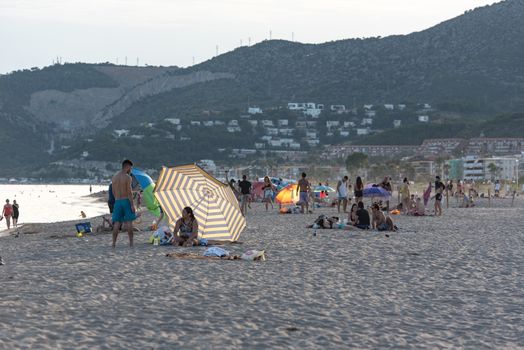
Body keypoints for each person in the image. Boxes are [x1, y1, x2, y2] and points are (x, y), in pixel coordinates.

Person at [111, 159, 137, 248]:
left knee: (117, 223)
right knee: (129, 222)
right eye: (131, 168)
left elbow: (113, 191)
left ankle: (114, 243)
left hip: (117, 201)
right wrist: (132, 204)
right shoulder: (127, 177)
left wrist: (117, 199)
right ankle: (131, 243)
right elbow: (129, 192)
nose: (131, 170)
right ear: (128, 166)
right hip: (126, 200)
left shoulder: (114, 177)